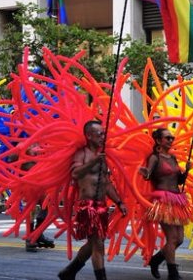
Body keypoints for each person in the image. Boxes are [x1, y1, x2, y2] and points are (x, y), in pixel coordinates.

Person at [58, 120, 127, 280]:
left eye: (104, 133)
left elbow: (106, 183)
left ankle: (70, 271)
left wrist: (119, 202)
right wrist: (94, 162)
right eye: (99, 134)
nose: (103, 137)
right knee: (98, 244)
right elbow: (75, 174)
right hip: (87, 206)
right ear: (89, 136)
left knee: (95, 243)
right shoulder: (81, 154)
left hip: (101, 206)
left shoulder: (102, 157)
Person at [139, 128, 191, 280]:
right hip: (163, 201)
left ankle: (155, 260)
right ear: (159, 141)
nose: (170, 140)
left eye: (172, 137)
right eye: (167, 137)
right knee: (172, 238)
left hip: (177, 200)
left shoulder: (173, 158)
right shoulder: (155, 157)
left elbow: (179, 180)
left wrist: (186, 171)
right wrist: (145, 173)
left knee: (180, 239)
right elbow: (148, 174)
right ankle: (172, 273)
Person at [20, 143, 55, 252]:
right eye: (33, 146)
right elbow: (10, 159)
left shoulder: (42, 148)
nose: (36, 148)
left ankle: (38, 234)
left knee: (47, 208)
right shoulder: (22, 147)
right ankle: (30, 238)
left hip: (41, 185)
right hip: (28, 185)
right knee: (31, 210)